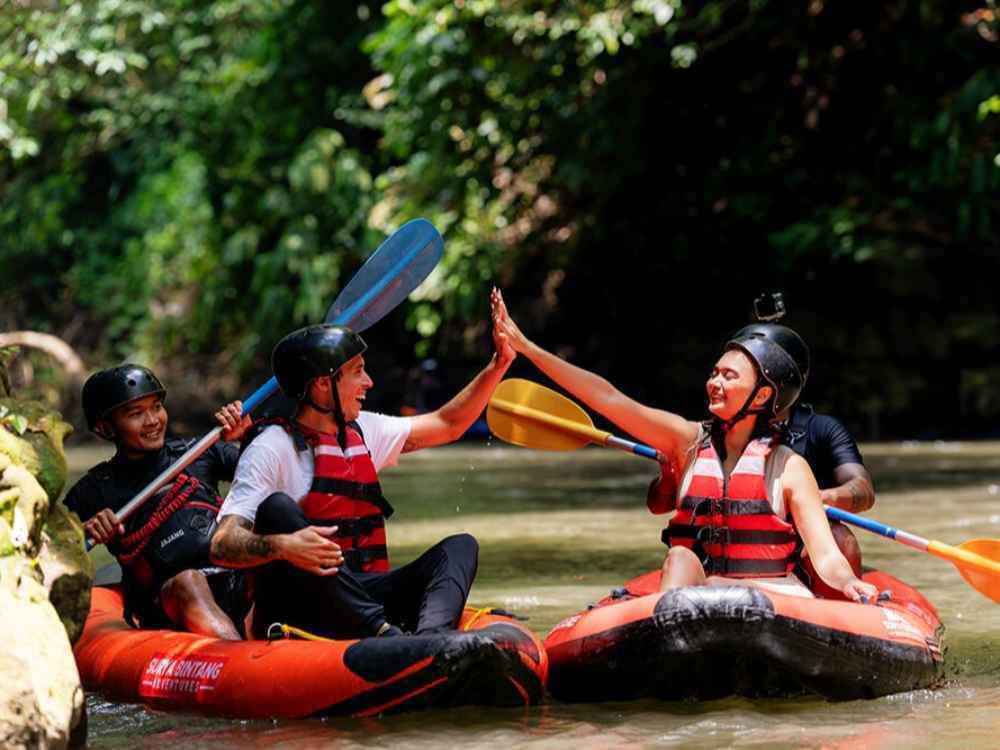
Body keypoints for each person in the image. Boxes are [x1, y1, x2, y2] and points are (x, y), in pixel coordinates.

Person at [491, 289, 876, 602]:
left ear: (760, 396)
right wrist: (526, 348)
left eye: (729, 376)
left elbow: (825, 553)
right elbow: (608, 399)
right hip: (699, 599)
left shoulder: (790, 466)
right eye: (714, 373)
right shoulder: (687, 442)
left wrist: (847, 583)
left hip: (773, 600)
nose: (714, 382)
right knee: (678, 556)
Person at [209, 319, 515, 640]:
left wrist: (499, 364)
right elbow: (221, 545)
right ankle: (385, 635)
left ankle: (430, 644)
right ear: (323, 384)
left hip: (363, 594)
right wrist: (282, 546)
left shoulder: (363, 431)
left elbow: (448, 423)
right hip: (304, 604)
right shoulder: (272, 447)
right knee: (277, 509)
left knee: (460, 547)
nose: (368, 382)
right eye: (357, 371)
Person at [646, 321, 875, 586]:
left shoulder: (821, 430)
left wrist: (823, 497)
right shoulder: (709, 437)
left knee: (839, 537)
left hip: (798, 551)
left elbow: (864, 490)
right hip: (718, 561)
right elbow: (657, 505)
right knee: (680, 559)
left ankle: (844, 604)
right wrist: (668, 475)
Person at [64, 365, 253, 639]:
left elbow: (269, 479)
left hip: (233, 578)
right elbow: (49, 546)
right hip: (168, 601)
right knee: (189, 581)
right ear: (106, 427)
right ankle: (238, 664)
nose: (152, 420)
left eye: (156, 407)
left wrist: (249, 438)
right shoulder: (93, 491)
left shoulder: (199, 452)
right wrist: (85, 531)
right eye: (136, 413)